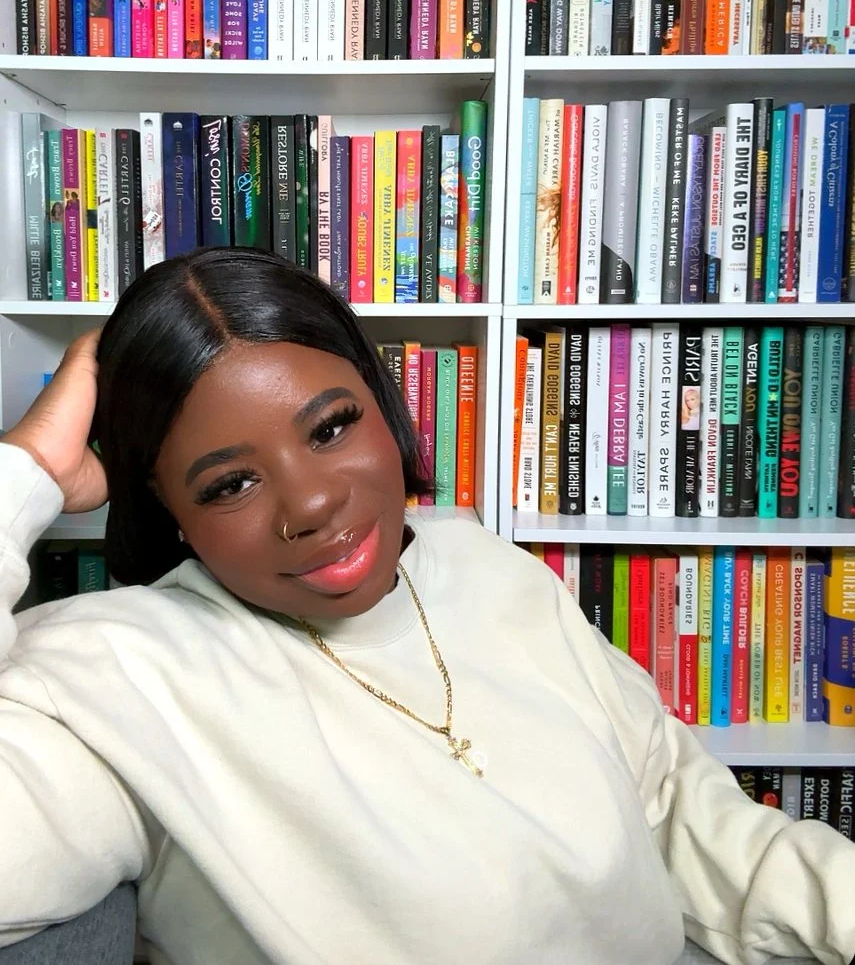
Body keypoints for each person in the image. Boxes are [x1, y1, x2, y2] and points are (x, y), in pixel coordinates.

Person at [0, 247, 852, 965]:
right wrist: (24, 471)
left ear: (382, 403)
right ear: (169, 510)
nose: (312, 506)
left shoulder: (490, 571)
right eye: (231, 483)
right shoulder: (111, 681)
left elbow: (678, 815)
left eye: (330, 427)